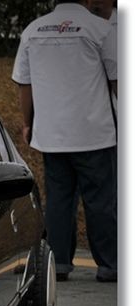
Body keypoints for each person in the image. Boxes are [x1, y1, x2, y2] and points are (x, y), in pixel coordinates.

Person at [12, 0, 117, 282]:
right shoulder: (101, 30)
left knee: (59, 199)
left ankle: (57, 262)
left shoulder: (33, 31)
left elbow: (24, 84)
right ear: (86, 0)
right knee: (101, 201)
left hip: (52, 135)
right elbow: (118, 79)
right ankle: (110, 264)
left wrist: (28, 122)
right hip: (94, 134)